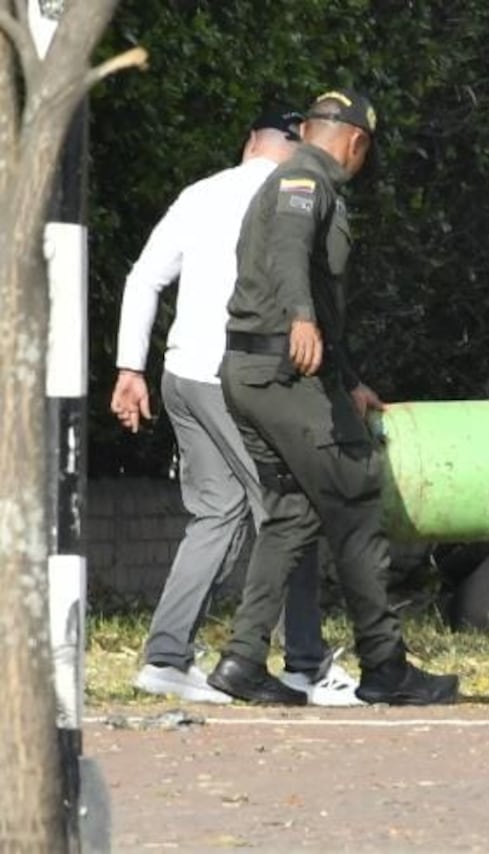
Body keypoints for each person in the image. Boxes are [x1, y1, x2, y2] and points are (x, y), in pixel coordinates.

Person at [206, 88, 460, 706]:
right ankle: (385, 665)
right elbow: (293, 254)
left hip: (252, 372)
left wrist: (348, 380)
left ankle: (241, 662)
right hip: (281, 374)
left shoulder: (297, 177)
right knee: (355, 498)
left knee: (293, 512)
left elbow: (318, 291)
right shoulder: (306, 180)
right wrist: (299, 318)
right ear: (355, 142)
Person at [111, 107, 362, 707]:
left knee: (218, 515)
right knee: (290, 513)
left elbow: (144, 277)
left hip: (180, 377)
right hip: (238, 378)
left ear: (249, 142)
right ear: (302, 143)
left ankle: (166, 658)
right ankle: (305, 662)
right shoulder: (298, 194)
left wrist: (129, 369)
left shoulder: (200, 192)